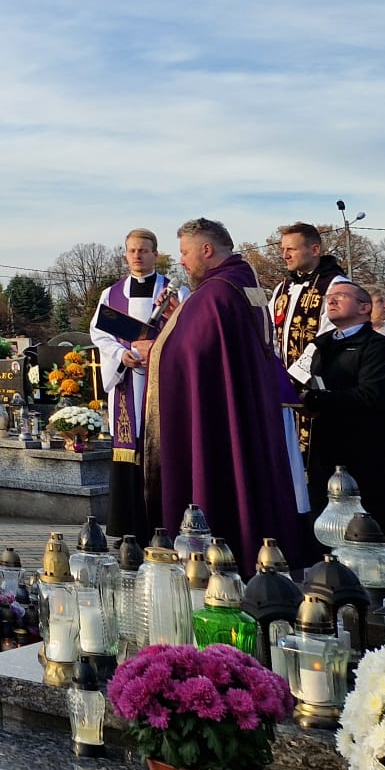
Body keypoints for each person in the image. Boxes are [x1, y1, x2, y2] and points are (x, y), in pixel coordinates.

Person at [142, 218, 304, 572]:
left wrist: (154, 349)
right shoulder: (246, 283)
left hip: (218, 413)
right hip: (249, 404)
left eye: (185, 252)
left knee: (219, 475)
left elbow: (190, 352)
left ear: (207, 249)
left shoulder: (215, 292)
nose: (182, 261)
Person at [89, 228, 187, 539]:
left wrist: (157, 353)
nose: (137, 256)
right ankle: (128, 529)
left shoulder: (175, 293)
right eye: (132, 250)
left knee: (161, 449)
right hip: (127, 383)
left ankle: (165, 527)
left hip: (163, 383)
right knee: (130, 452)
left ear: (156, 254)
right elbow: (99, 333)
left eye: (143, 250)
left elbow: (187, 332)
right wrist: (121, 354)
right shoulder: (112, 294)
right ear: (125, 255)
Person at [301, 279, 385, 551]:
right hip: (326, 451)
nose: (331, 301)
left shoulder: (378, 347)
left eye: (341, 296)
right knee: (326, 528)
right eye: (329, 297)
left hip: (368, 453)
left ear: (364, 307)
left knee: (373, 528)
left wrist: (320, 399)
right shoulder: (321, 345)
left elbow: (373, 396)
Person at [270, 221, 346, 370]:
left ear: (315, 250)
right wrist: (275, 371)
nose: (285, 255)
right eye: (283, 249)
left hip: (321, 377)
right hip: (282, 380)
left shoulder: (336, 285)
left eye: (291, 249)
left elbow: (329, 336)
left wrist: (297, 376)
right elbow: (270, 332)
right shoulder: (282, 288)